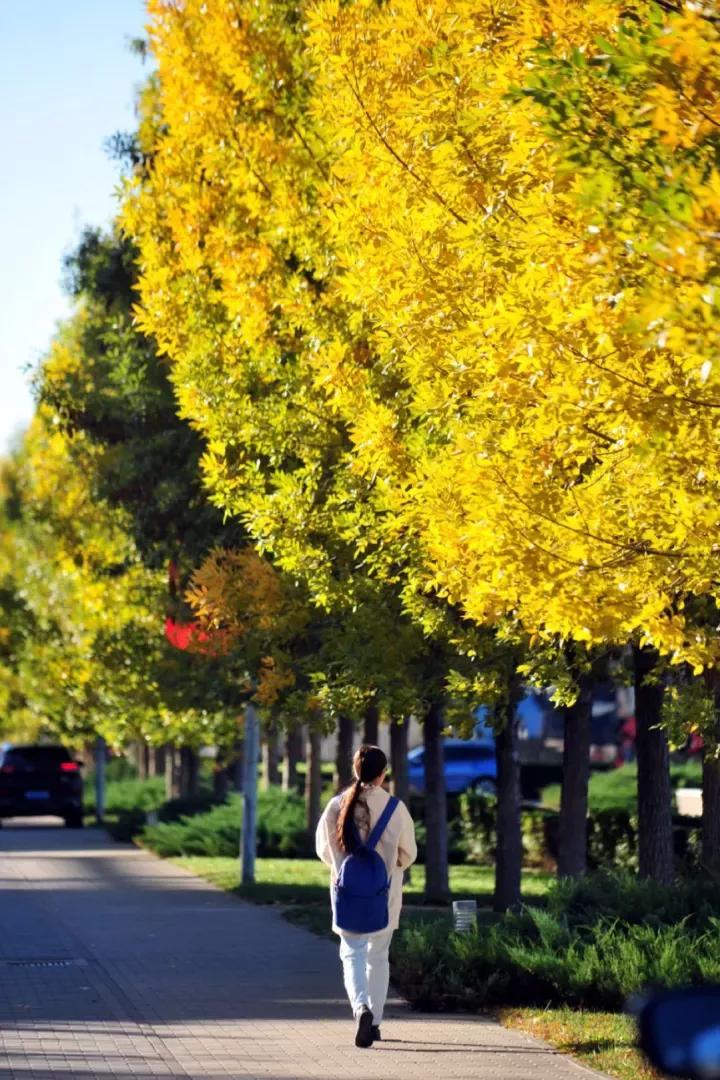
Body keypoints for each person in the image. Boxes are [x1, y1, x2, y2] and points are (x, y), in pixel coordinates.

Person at [315, 743, 417, 1049]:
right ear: (383, 774)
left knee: (352, 953)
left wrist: (342, 865)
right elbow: (408, 853)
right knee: (378, 956)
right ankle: (374, 1023)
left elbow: (323, 849)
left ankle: (360, 1007)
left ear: (355, 771)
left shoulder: (336, 806)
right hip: (383, 896)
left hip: (347, 895)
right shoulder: (395, 809)